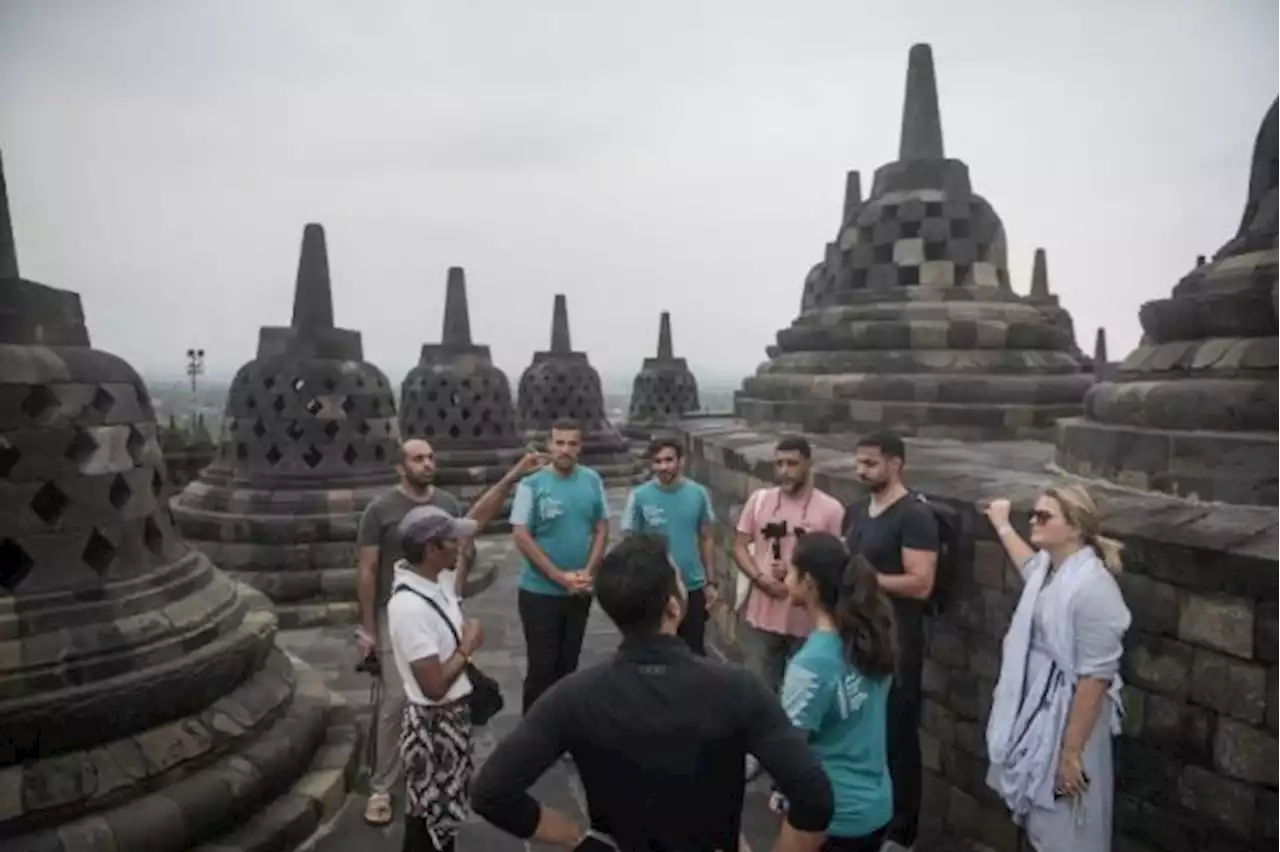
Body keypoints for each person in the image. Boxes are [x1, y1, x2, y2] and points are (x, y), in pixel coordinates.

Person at [471, 533, 835, 852]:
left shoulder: (572, 697)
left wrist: (579, 839)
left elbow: (491, 793)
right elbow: (814, 796)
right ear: (674, 606)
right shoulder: (737, 689)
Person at [356, 439, 542, 825]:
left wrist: (512, 475)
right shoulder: (383, 514)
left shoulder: (438, 566)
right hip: (408, 627)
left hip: (441, 613)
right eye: (417, 458)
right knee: (400, 701)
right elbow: (368, 570)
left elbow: (477, 518)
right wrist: (370, 631)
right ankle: (385, 785)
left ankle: (443, 780)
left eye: (430, 457)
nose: (427, 464)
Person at [983, 486, 1131, 852]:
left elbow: (1096, 677)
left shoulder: (1093, 588)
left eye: (1044, 516)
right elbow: (1028, 566)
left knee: (1067, 818)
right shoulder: (1052, 571)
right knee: (1042, 818)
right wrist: (1002, 524)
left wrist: (1070, 753)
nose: (1034, 520)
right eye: (1033, 514)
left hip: (1069, 719)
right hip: (1039, 709)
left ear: (1075, 527)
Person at [841, 431, 938, 850]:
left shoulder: (914, 515)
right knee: (865, 730)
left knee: (898, 733)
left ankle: (902, 831)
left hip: (899, 639)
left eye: (871, 463)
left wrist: (870, 580)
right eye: (859, 462)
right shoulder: (857, 510)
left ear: (895, 463)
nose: (861, 471)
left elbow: (921, 583)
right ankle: (872, 816)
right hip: (860, 635)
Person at [773, 533, 896, 851]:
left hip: (829, 815)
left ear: (808, 581)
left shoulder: (812, 663)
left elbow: (790, 751)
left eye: (791, 571)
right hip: (876, 807)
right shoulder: (870, 639)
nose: (785, 577)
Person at [386, 505, 485, 852]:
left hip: (451, 721)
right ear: (431, 549)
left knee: (441, 813)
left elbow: (475, 526)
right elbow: (434, 686)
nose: (459, 545)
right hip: (435, 724)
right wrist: (467, 647)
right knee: (430, 818)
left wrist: (513, 476)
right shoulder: (410, 609)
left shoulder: (436, 580)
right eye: (451, 541)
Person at [731, 435, 846, 693]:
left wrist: (799, 573)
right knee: (760, 694)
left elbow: (836, 564)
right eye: (779, 464)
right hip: (762, 618)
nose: (784, 471)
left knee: (802, 697)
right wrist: (760, 579)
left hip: (807, 623)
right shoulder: (759, 501)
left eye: (792, 463)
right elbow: (739, 546)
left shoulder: (831, 510)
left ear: (808, 463)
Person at [511, 419, 610, 715]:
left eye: (572, 443)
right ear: (549, 445)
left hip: (578, 590)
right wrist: (558, 577)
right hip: (539, 592)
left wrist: (587, 572)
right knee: (542, 668)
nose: (565, 449)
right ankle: (533, 732)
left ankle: (564, 729)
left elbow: (602, 528)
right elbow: (521, 535)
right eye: (560, 443)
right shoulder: (531, 484)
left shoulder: (592, 480)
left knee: (568, 668)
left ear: (580, 447)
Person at [621, 435, 719, 654]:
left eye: (668, 460)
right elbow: (630, 541)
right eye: (657, 461)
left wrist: (710, 581)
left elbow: (706, 537)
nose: (663, 467)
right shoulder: (640, 496)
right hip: (655, 586)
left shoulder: (698, 494)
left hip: (692, 584)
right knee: (655, 651)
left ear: (681, 461)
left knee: (693, 650)